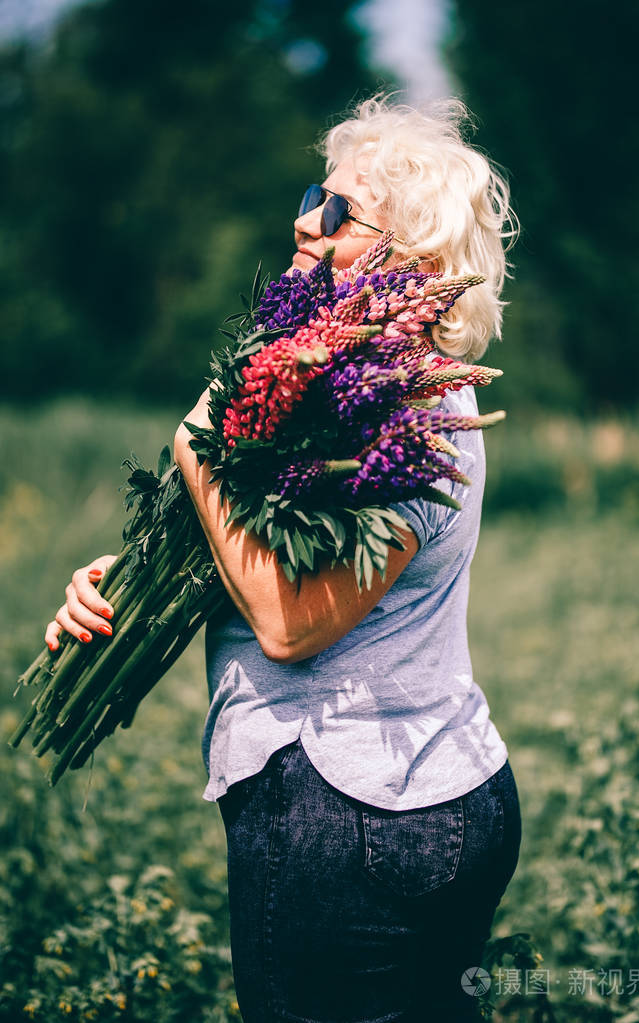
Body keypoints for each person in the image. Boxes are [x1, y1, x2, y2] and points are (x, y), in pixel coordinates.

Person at [45, 95, 522, 1022]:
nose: (306, 219)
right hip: (425, 801)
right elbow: (247, 546)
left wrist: (195, 448)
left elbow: (291, 621)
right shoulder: (335, 388)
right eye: (316, 192)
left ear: (409, 261)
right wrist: (124, 583)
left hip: (351, 818)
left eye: (341, 210)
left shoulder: (411, 415)